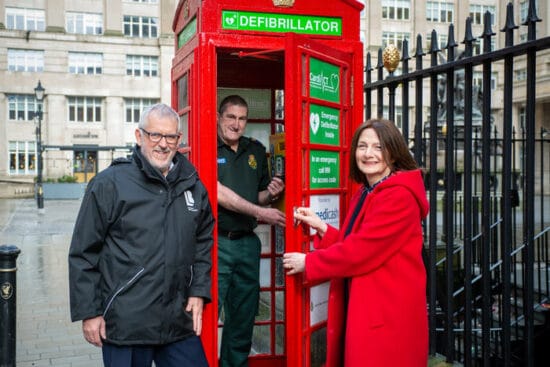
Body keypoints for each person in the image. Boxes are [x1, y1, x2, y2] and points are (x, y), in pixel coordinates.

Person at [68, 103, 214, 367]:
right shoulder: (109, 184)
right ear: (139, 136)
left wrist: (198, 291)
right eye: (154, 135)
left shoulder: (192, 184)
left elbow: (203, 241)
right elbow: (83, 252)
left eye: (170, 136)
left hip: (177, 319)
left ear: (179, 140)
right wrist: (89, 313)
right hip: (126, 323)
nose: (163, 144)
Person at [283, 119, 429, 367]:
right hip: (368, 306)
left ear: (393, 153)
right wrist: (322, 227)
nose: (368, 154)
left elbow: (361, 251)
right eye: (362, 146)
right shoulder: (367, 191)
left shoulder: (399, 197)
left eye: (378, 147)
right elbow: (358, 242)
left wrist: (309, 261)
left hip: (388, 312)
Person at [216, 95, 286, 367]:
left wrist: (270, 195)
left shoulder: (255, 150)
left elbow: (257, 197)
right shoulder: (207, 147)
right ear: (219, 118)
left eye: (242, 118)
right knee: (209, 313)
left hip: (247, 243)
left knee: (244, 315)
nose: (236, 124)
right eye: (231, 117)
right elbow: (216, 192)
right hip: (216, 242)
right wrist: (260, 211)